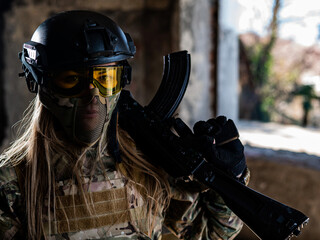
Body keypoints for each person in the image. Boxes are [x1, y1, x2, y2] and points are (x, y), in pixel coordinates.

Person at [0, 10, 249, 240]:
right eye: (71, 80)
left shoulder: (147, 164)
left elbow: (210, 232)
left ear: (122, 81)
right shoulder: (14, 181)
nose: (93, 96)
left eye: (106, 79)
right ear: (40, 83)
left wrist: (230, 176)